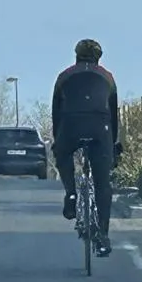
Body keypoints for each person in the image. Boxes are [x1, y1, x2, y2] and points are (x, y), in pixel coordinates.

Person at [51, 38, 121, 257]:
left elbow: (56, 113)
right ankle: (104, 237)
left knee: (63, 154)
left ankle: (71, 194)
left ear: (76, 56)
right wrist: (113, 144)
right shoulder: (108, 77)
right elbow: (114, 114)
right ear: (99, 58)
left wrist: (58, 141)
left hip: (71, 125)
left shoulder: (64, 76)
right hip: (101, 127)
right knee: (103, 184)